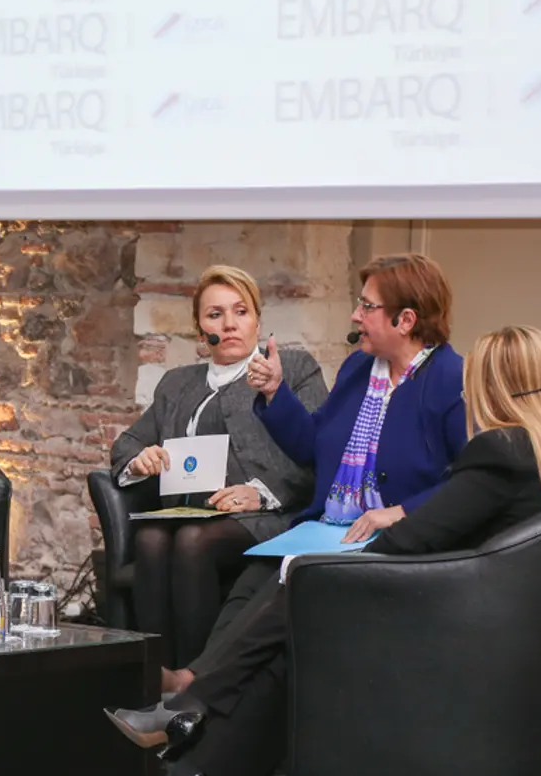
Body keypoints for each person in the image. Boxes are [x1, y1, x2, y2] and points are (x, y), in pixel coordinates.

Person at [105, 325, 541, 776]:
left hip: (456, 629)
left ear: (492, 387)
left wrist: (333, 563)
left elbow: (412, 539)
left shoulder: (500, 452)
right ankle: (191, 775)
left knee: (305, 586)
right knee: (296, 639)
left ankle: (190, 708)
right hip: (504, 629)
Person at [162, 253, 466, 695]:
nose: (354, 315)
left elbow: (468, 482)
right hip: (330, 526)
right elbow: (313, 447)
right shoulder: (360, 368)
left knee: (287, 583)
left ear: (405, 319)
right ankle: (200, 684)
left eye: (366, 306)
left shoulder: (449, 380)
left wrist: (401, 512)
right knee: (256, 577)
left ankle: (194, 687)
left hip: (394, 539)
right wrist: (273, 393)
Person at [109, 265, 328, 669]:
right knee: (151, 540)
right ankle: (155, 677)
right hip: (188, 511)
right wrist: (140, 460)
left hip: (265, 515)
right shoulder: (178, 383)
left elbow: (320, 454)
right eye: (215, 315)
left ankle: (195, 681)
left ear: (257, 320)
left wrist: (260, 493)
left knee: (194, 540)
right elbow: (128, 443)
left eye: (240, 312)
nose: (229, 325)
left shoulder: (294, 370)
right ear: (199, 329)